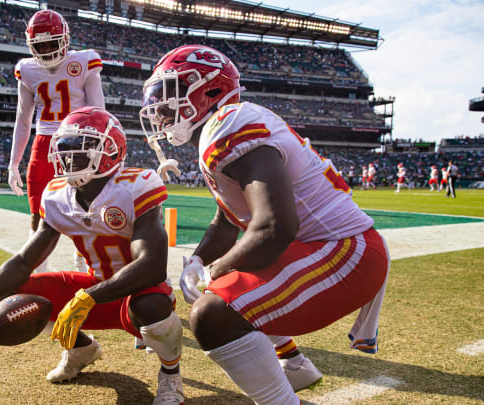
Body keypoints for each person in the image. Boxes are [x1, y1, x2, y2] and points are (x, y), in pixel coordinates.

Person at [140, 45, 389, 404]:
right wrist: (197, 260)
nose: (161, 109)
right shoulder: (222, 127)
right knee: (230, 286)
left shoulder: (228, 125)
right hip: (329, 247)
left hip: (345, 251)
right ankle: (296, 366)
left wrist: (216, 269)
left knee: (213, 313)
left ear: (208, 89)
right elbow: (229, 220)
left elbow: (274, 228)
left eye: (170, 95)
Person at [0, 107, 184, 404]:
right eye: (64, 148)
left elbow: (152, 267)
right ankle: (81, 349)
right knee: (21, 292)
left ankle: (171, 376)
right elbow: (24, 261)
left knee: (152, 305)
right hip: (94, 288)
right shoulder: (57, 194)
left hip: (136, 293)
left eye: (79, 147)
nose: (68, 156)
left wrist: (89, 297)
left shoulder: (135, 186)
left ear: (109, 148)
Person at [7, 9, 105, 273]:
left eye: (53, 43)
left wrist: (100, 149)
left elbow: (99, 112)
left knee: (85, 211)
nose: (48, 50)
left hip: (80, 141)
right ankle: (39, 275)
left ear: (65, 39)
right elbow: (23, 119)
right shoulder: (26, 69)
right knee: (38, 215)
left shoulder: (84, 61)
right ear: (31, 46)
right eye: (41, 45)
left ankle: (87, 270)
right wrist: (13, 163)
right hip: (44, 142)